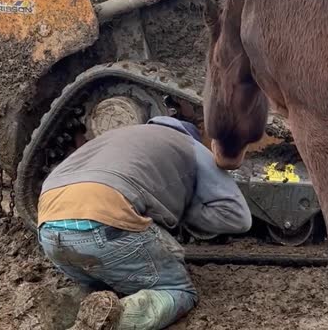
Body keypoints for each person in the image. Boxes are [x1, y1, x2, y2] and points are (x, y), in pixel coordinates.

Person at [36, 116, 252, 329]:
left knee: (100, 284)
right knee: (178, 290)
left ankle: (71, 304)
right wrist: (184, 209)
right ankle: (111, 322)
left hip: (49, 228)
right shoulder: (190, 145)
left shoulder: (114, 137)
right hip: (105, 221)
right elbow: (239, 218)